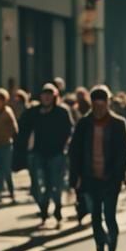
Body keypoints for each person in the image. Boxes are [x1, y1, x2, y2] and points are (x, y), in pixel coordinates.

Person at [68, 85, 126, 251]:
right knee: (95, 217)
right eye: (95, 105)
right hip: (90, 178)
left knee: (110, 216)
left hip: (111, 178)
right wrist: (75, 178)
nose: (99, 109)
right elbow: (74, 152)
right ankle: (100, 246)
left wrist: (120, 174)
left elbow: (125, 152)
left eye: (102, 105)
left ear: (108, 104)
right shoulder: (84, 124)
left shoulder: (118, 124)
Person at [16, 82, 73, 228]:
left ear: (54, 97)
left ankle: (57, 211)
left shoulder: (62, 112)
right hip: (38, 154)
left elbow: (69, 130)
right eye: (44, 95)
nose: (46, 98)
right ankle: (43, 211)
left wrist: (63, 145)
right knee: (38, 186)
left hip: (56, 154)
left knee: (55, 185)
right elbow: (22, 127)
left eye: (49, 95)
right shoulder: (34, 112)